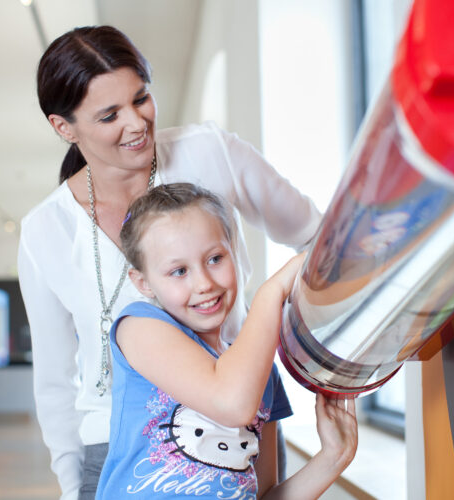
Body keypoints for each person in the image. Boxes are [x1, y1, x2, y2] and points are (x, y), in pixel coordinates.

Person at [18, 25, 322, 499]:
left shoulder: (210, 152)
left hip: (238, 427)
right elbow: (55, 383)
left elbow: (319, 240)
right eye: (109, 115)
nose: (136, 123)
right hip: (116, 450)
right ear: (64, 127)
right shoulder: (45, 231)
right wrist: (71, 485)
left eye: (141, 98)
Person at [96, 183, 357, 499]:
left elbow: (263, 495)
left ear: (234, 251)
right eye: (179, 271)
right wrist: (271, 292)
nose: (204, 283)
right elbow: (232, 404)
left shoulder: (260, 374)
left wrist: (333, 458)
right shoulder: (139, 326)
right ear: (143, 282)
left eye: (215, 258)